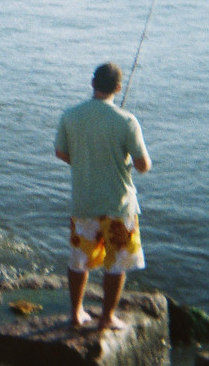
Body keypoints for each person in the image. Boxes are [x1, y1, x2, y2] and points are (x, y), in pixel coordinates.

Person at [55, 62, 152, 331]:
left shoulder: (70, 116)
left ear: (92, 83)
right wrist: (127, 164)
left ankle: (76, 313)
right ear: (118, 88)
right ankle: (107, 317)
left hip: (84, 202)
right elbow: (143, 165)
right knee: (116, 264)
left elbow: (61, 153)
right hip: (119, 205)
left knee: (79, 261)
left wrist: (86, 162)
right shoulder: (127, 121)